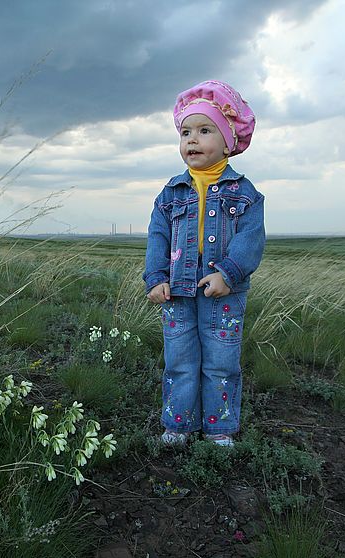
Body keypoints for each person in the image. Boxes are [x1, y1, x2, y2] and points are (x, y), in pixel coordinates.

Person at [143, 80, 265, 448]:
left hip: (223, 294)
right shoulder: (170, 193)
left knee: (221, 363)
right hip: (176, 292)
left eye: (204, 130)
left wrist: (229, 273)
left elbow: (251, 238)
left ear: (229, 141)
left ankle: (219, 429)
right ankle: (178, 425)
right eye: (185, 132)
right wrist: (155, 278)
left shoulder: (245, 193)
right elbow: (157, 237)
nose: (192, 140)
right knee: (179, 360)